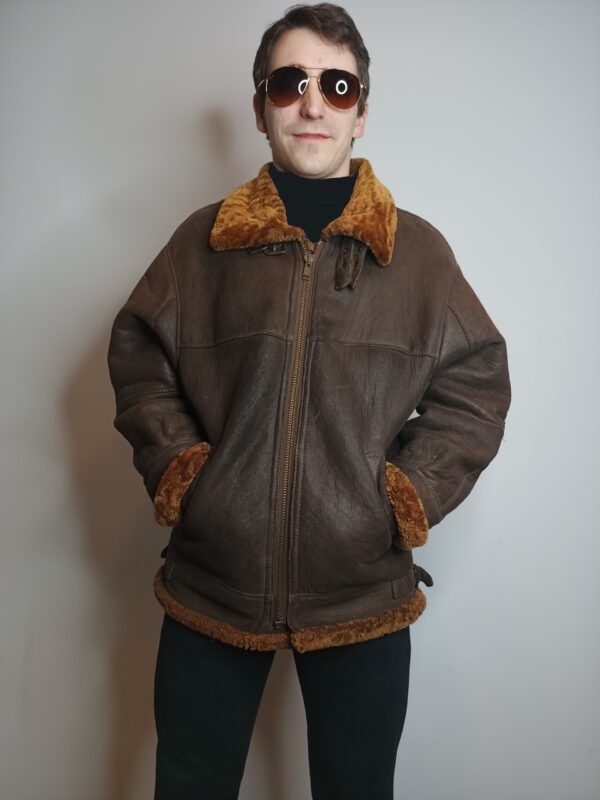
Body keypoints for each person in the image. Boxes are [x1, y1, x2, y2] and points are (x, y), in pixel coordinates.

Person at [107, 3, 511, 798]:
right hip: (212, 585)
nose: (313, 102)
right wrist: (187, 474)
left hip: (362, 591)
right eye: (289, 83)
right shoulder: (199, 244)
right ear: (262, 108)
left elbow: (476, 386)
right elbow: (139, 359)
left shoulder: (418, 255)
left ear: (362, 113)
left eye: (337, 85)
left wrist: (401, 497)